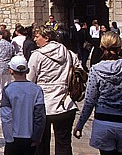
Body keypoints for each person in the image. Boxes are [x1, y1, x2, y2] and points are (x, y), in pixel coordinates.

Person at [74, 31, 122, 155]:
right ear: (119, 48)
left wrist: (79, 125)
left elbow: (90, 101)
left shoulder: (95, 70)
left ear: (102, 48)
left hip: (103, 121)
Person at [27, 25, 80, 155]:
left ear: (47, 37)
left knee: (41, 143)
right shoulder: (69, 54)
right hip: (65, 104)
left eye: (37, 36)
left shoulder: (37, 56)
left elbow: (30, 80)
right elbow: (79, 72)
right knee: (64, 143)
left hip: (43, 104)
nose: (35, 39)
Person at [0, 56, 45, 155]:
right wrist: (37, 137)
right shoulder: (37, 90)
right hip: (30, 136)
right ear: (27, 70)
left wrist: (8, 138)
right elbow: (40, 116)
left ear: (11, 71)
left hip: (13, 137)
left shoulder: (8, 90)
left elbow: (6, 117)